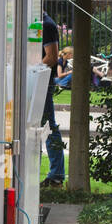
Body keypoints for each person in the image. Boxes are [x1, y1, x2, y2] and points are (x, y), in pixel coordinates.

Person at [41, 12, 65, 187]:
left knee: (48, 126)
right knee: (46, 126)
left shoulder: (47, 25)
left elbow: (51, 57)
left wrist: (29, 70)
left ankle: (56, 174)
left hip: (41, 82)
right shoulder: (37, 22)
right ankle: (56, 173)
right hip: (36, 80)